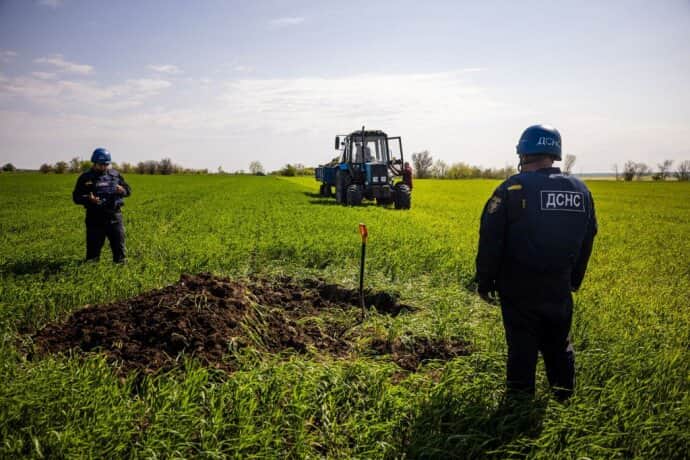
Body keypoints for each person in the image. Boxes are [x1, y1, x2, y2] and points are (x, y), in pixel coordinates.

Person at [475, 124, 597, 402]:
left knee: (522, 347)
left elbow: (490, 239)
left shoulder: (512, 188)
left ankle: (519, 408)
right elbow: (587, 239)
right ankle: (564, 401)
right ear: (554, 153)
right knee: (559, 344)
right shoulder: (581, 190)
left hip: (519, 289)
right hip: (559, 288)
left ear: (524, 153)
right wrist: (574, 280)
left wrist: (485, 281)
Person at [72, 148, 131, 263]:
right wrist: (88, 199)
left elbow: (128, 191)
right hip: (95, 219)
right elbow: (76, 197)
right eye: (101, 165)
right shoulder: (85, 178)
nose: (104, 167)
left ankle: (120, 270)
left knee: (120, 251)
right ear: (94, 163)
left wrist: (122, 190)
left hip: (114, 217)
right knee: (92, 255)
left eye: (106, 164)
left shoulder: (115, 175)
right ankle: (91, 269)